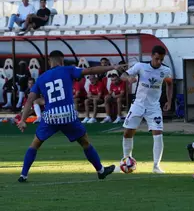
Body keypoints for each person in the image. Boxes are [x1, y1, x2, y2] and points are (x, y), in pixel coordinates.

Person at [17, 50, 124, 182]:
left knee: (35, 144)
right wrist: (112, 67)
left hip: (50, 116)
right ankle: (101, 171)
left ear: (50, 61)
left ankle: (23, 175)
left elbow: (30, 99)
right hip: (67, 115)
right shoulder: (68, 70)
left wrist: (23, 120)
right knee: (85, 142)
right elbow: (91, 70)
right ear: (62, 60)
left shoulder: (41, 78)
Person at [120, 45, 173, 174]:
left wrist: (169, 101)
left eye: (161, 59)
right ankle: (126, 159)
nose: (159, 62)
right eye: (157, 59)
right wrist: (129, 78)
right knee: (128, 132)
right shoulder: (140, 66)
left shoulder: (165, 70)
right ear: (152, 56)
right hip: (138, 104)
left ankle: (156, 166)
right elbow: (123, 75)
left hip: (154, 107)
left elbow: (170, 83)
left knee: (158, 134)